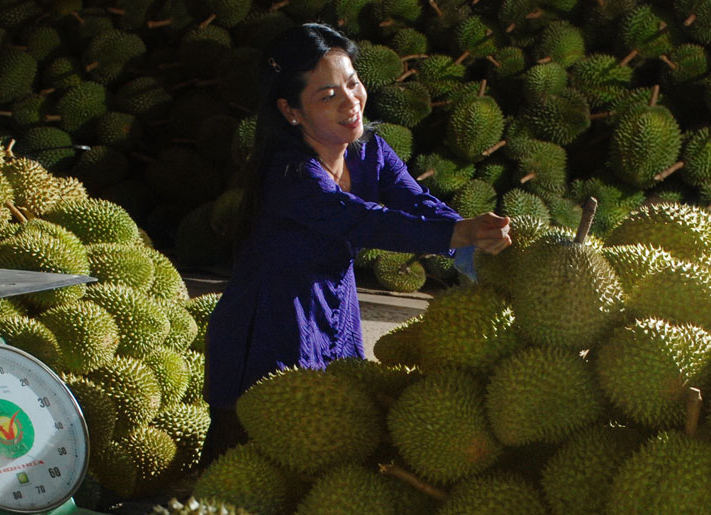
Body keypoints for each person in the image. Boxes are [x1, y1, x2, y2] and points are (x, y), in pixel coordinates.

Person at [201, 22, 511, 462]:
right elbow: (360, 221)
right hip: (269, 326)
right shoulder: (287, 174)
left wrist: (470, 241)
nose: (351, 103)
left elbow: (416, 201)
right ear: (291, 111)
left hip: (335, 314)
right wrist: (453, 234)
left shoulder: (371, 152)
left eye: (353, 84)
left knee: (331, 451)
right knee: (247, 464)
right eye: (327, 96)